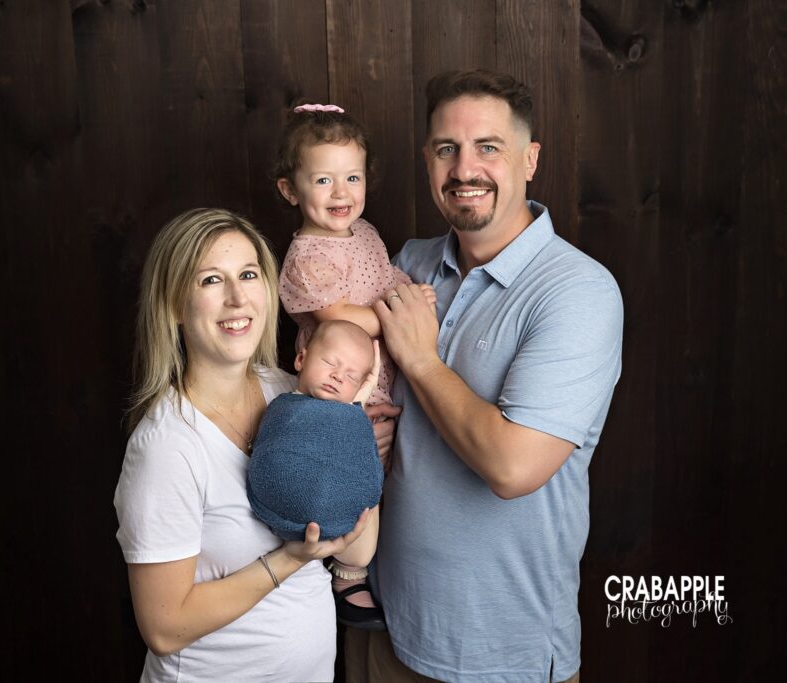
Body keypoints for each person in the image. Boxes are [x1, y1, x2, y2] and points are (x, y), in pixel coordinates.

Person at [346, 69, 624, 683]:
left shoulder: (578, 291)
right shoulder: (408, 262)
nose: (464, 169)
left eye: (488, 148)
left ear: (530, 159)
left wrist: (421, 359)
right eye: (447, 148)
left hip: (504, 655)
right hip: (386, 629)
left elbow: (512, 467)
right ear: (427, 160)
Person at [113, 208, 384, 682]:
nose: (238, 298)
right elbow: (165, 627)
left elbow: (356, 555)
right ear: (175, 305)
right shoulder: (166, 445)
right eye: (211, 280)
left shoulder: (294, 393)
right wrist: (289, 559)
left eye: (248, 274)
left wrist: (352, 429)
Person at [273, 103, 436, 624]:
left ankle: (363, 562)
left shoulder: (364, 233)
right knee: (339, 470)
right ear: (291, 190)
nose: (341, 193)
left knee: (377, 473)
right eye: (323, 179)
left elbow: (384, 275)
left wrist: (412, 293)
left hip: (376, 379)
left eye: (352, 177)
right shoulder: (306, 253)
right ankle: (346, 576)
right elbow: (336, 312)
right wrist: (395, 315)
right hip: (339, 380)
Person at [248, 321, 383, 549]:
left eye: (352, 377)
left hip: (340, 524)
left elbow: (364, 464)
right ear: (300, 359)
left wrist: (355, 408)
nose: (338, 376)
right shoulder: (282, 406)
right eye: (330, 363)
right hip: (272, 508)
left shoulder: (353, 418)